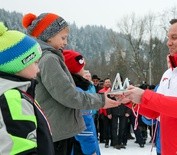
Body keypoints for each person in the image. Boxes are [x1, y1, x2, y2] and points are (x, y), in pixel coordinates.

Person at [22, 13, 119, 155]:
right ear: (48, 36)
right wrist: (101, 101)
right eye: (63, 37)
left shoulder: (45, 57)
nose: (65, 42)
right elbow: (67, 95)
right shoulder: (49, 59)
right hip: (57, 132)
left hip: (56, 129)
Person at [117, 17, 177, 154]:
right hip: (169, 149)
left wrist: (144, 95)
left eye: (174, 37)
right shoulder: (169, 73)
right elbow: (156, 112)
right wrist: (132, 101)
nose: (169, 43)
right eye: (168, 38)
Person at [0, 22, 54, 154]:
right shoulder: (12, 97)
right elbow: (21, 148)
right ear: (17, 65)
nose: (38, 68)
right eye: (35, 62)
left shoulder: (16, 92)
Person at [63, 50, 100, 155]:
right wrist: (91, 150)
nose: (84, 70)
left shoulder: (65, 89)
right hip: (79, 145)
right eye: (82, 67)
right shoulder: (77, 92)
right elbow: (84, 124)